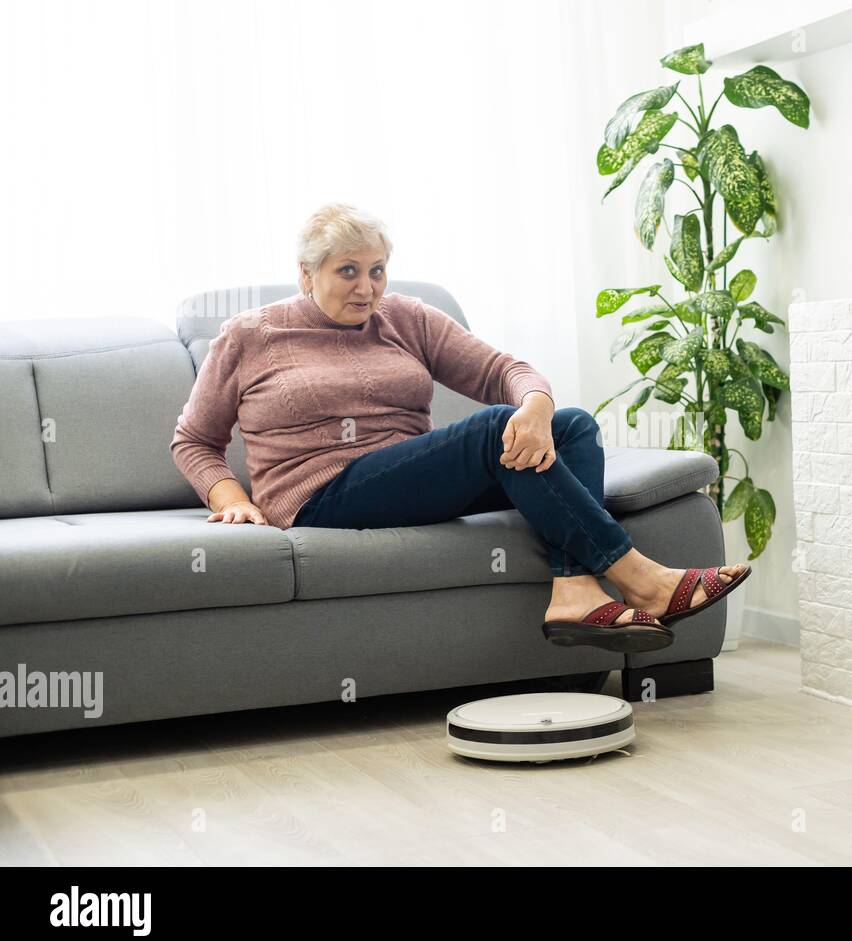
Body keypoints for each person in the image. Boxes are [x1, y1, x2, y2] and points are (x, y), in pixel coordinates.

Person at [170, 203, 748, 653]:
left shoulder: (405, 317)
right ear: (305, 274)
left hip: (411, 478)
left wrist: (538, 406)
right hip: (322, 493)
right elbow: (195, 438)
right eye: (347, 272)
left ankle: (574, 591)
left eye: (376, 271)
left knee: (570, 426)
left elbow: (506, 371)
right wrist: (231, 497)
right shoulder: (250, 335)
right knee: (493, 430)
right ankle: (643, 580)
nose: (367, 288)